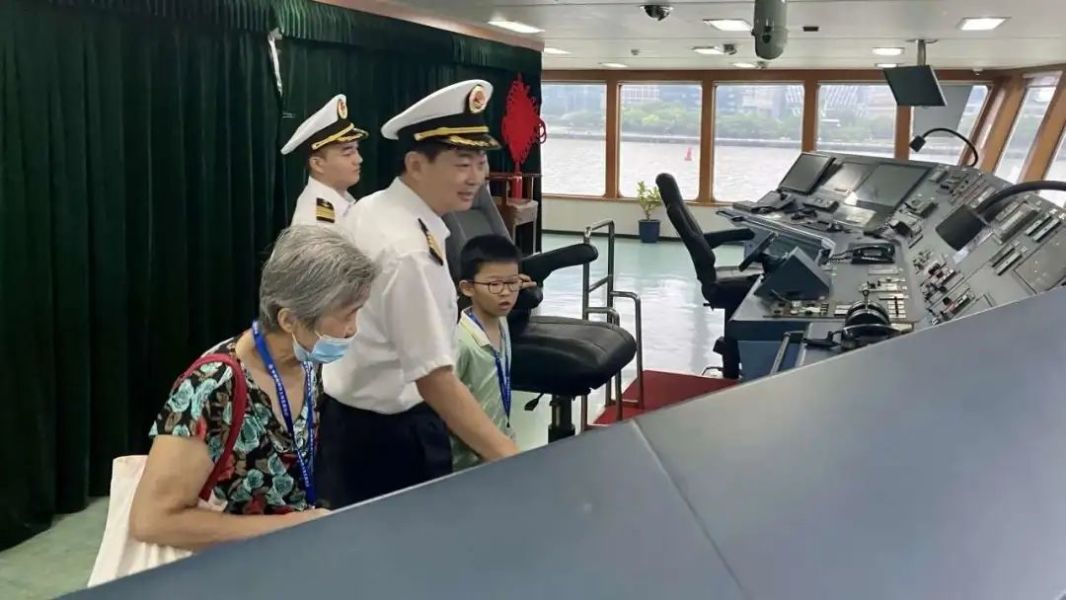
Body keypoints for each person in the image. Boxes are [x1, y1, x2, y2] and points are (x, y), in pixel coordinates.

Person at [316, 79, 519, 507]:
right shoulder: (408, 250)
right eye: (461, 163)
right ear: (416, 164)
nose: (475, 177)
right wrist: (510, 457)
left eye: (480, 161)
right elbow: (435, 379)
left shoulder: (374, 207)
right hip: (392, 439)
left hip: (347, 421)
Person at [129, 226, 376, 550]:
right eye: (346, 315)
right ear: (288, 320)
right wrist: (288, 526)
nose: (353, 329)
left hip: (287, 553)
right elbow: (152, 521)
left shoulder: (306, 360)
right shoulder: (213, 388)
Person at [452, 235, 522, 470]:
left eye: (512, 283)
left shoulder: (501, 321)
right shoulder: (460, 342)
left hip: (498, 449)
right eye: (494, 285)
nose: (506, 292)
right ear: (467, 288)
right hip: (465, 463)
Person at [281, 94, 368, 226]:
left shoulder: (339, 200)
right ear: (317, 164)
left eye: (356, 150)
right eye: (348, 153)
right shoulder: (316, 223)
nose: (359, 159)